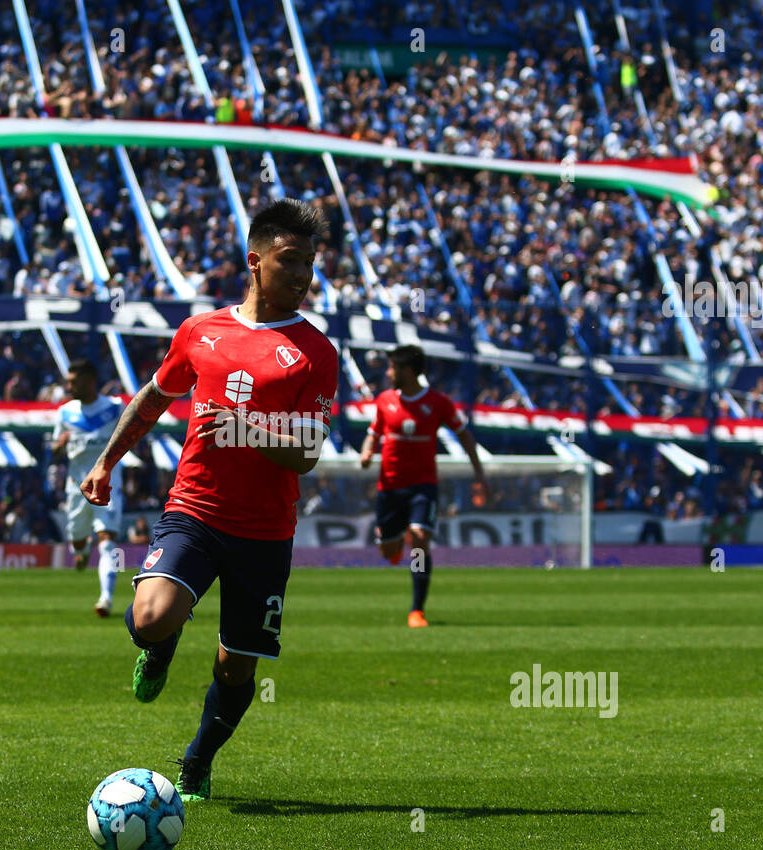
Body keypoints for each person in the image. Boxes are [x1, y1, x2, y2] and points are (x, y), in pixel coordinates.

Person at [79, 198, 339, 802]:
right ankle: (160, 648)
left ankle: (197, 759)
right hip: (194, 508)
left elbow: (306, 452)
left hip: (266, 530)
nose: (303, 276)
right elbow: (153, 397)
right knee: (149, 618)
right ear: (256, 261)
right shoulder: (201, 331)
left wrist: (246, 428)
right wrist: (105, 461)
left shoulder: (316, 352)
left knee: (235, 667)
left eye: (311, 264)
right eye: (290, 261)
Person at [358, 345, 487, 627]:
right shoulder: (384, 401)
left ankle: (417, 610)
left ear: (406, 371)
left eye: (392, 368)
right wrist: (367, 452)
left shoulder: (438, 403)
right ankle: (394, 542)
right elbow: (373, 434)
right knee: (389, 551)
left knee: (419, 541)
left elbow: (465, 436)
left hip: (422, 487)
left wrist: (479, 473)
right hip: (390, 487)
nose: (388, 373)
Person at [51, 358, 125, 616]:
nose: (69, 385)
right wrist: (59, 445)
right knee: (78, 540)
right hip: (76, 486)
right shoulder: (64, 412)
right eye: (68, 381)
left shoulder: (115, 408)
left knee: (107, 539)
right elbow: (53, 448)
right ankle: (80, 552)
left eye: (73, 381)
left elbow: (133, 433)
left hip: (109, 482)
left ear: (90, 380)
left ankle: (105, 598)